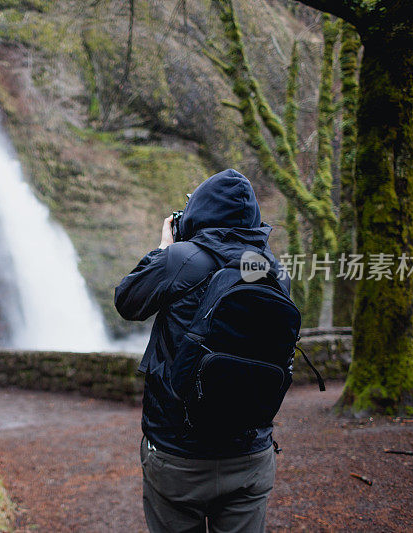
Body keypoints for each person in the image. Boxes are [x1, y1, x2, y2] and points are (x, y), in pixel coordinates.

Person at [114, 168, 291, 533]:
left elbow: (127, 302)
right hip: (251, 451)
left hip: (178, 453)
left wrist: (163, 248)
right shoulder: (272, 270)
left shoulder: (180, 258)